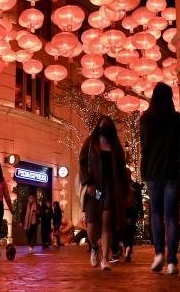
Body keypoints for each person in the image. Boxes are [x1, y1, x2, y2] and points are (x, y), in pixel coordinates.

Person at [141, 82, 180, 275]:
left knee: (156, 213)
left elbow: (143, 147)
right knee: (171, 215)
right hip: (173, 172)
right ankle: (172, 261)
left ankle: (158, 255)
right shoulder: (177, 119)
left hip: (153, 172)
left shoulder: (146, 118)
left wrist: (144, 170)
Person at [78, 115, 129, 271]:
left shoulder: (117, 148)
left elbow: (122, 172)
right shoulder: (90, 143)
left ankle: (105, 259)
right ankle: (94, 247)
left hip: (110, 190)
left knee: (107, 222)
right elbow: (82, 163)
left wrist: (125, 192)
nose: (105, 126)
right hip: (94, 189)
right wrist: (88, 182)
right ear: (98, 126)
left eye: (108, 123)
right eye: (102, 123)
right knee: (92, 224)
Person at [120, 179, 143, 263]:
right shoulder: (136, 185)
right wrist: (141, 213)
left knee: (124, 230)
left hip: (123, 211)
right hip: (134, 210)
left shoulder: (120, 184)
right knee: (131, 231)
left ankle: (126, 247)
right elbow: (140, 200)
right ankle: (129, 246)